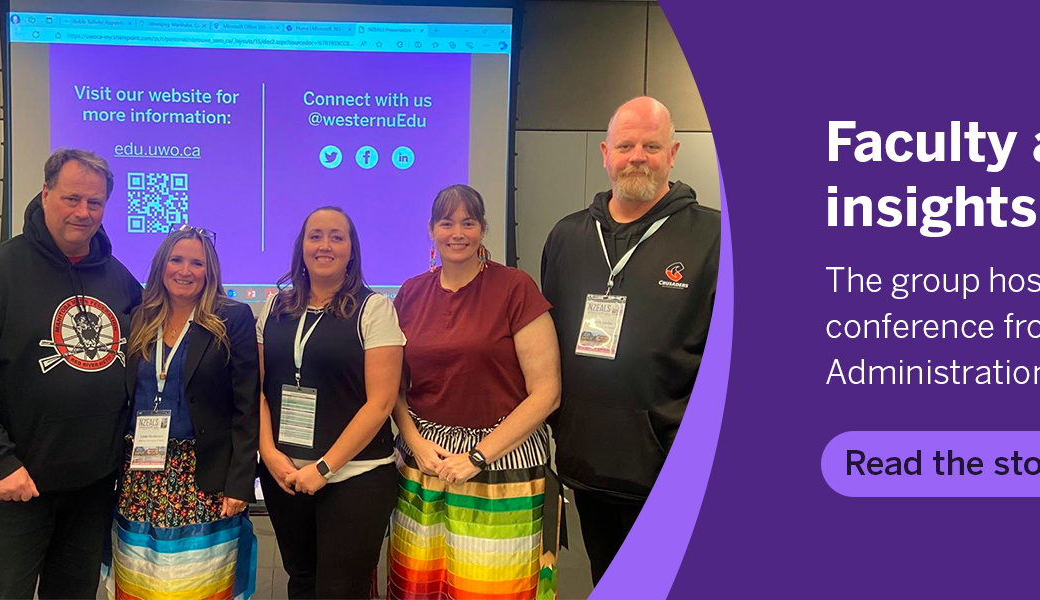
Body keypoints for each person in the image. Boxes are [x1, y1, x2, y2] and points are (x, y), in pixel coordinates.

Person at [0, 149, 144, 599]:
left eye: (94, 203)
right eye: (72, 198)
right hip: (16, 486)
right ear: (45, 193)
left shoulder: (119, 279)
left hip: (92, 487)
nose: (83, 212)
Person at [541, 96, 721, 583]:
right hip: (588, 457)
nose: (637, 155)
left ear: (673, 153)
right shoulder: (567, 236)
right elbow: (551, 343)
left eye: (651, 145)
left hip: (670, 466)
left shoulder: (714, 236)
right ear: (605, 152)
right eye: (625, 145)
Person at [388, 185, 562, 599]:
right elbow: (392, 388)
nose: (458, 232)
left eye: (469, 222)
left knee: (490, 587)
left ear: (483, 229)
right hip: (425, 466)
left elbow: (547, 392)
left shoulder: (515, 288)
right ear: (431, 230)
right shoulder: (410, 293)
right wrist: (414, 441)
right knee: (420, 585)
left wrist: (479, 455)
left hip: (501, 466)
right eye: (447, 222)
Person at [256, 207, 405, 599]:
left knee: (341, 591)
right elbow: (256, 390)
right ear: (301, 247)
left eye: (337, 237)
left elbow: (381, 402)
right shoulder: (274, 308)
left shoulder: (374, 309)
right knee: (301, 582)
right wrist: (269, 454)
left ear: (351, 251)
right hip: (285, 475)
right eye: (316, 236)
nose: (325, 245)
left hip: (355, 476)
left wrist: (324, 468)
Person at [107, 226, 260, 600]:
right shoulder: (137, 318)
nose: (185, 270)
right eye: (177, 260)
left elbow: (247, 404)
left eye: (197, 263)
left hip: (203, 476)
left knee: (198, 581)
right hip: (140, 475)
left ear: (210, 272)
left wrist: (241, 482)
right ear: (162, 265)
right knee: (142, 578)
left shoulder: (231, 319)